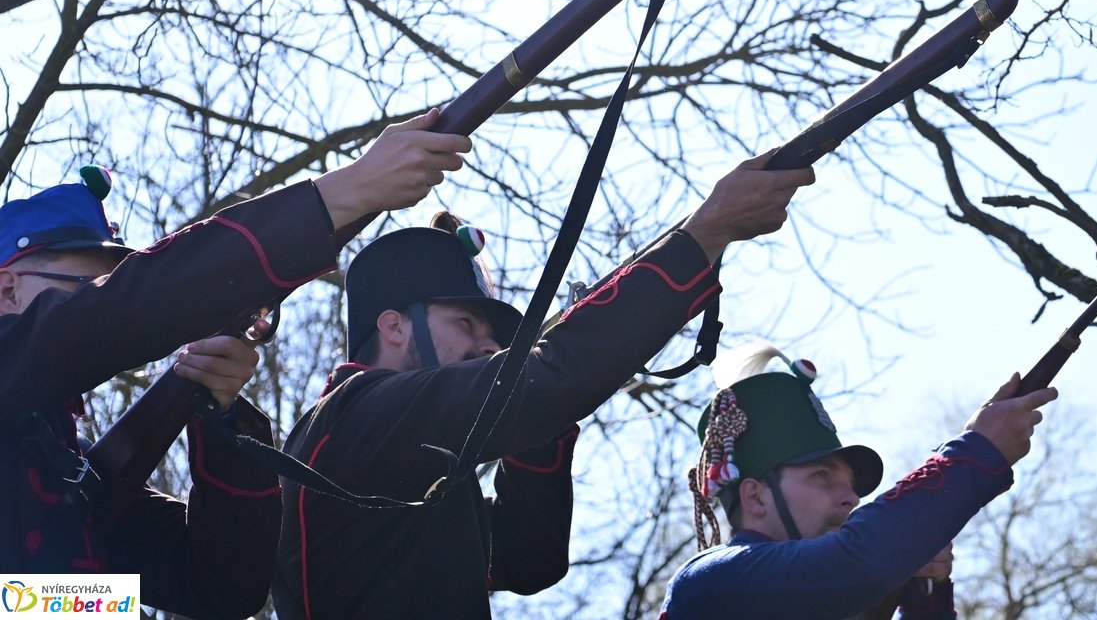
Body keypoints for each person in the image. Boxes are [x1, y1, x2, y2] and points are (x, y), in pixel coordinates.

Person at [272, 152, 816, 619]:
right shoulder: (356, 414)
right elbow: (540, 385)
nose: (490, 348)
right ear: (392, 327)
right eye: (466, 324)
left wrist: (547, 402)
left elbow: (529, 557)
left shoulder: (409, 460)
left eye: (493, 338)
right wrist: (704, 234)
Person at [0, 109, 470, 618]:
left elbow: (219, 590)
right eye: (88, 287)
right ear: (7, 286)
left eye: (107, 285)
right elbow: (118, 312)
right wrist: (344, 193)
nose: (103, 297)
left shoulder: (67, 471)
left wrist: (218, 417)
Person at [659, 343, 1058, 619]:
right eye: (821, 476)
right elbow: (856, 562)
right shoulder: (709, 583)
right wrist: (977, 450)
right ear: (756, 497)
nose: (850, 498)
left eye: (851, 483)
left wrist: (924, 594)